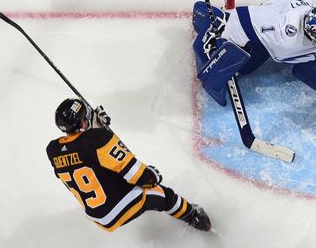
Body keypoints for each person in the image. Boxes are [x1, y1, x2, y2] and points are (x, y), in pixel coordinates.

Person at [46, 98, 211, 232]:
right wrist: (151, 176)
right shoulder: (98, 139)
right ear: (82, 123)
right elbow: (138, 176)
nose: (88, 117)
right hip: (117, 208)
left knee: (106, 175)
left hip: (97, 215)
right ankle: (194, 217)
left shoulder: (53, 150)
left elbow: (83, 154)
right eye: (85, 117)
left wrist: (96, 129)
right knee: (164, 195)